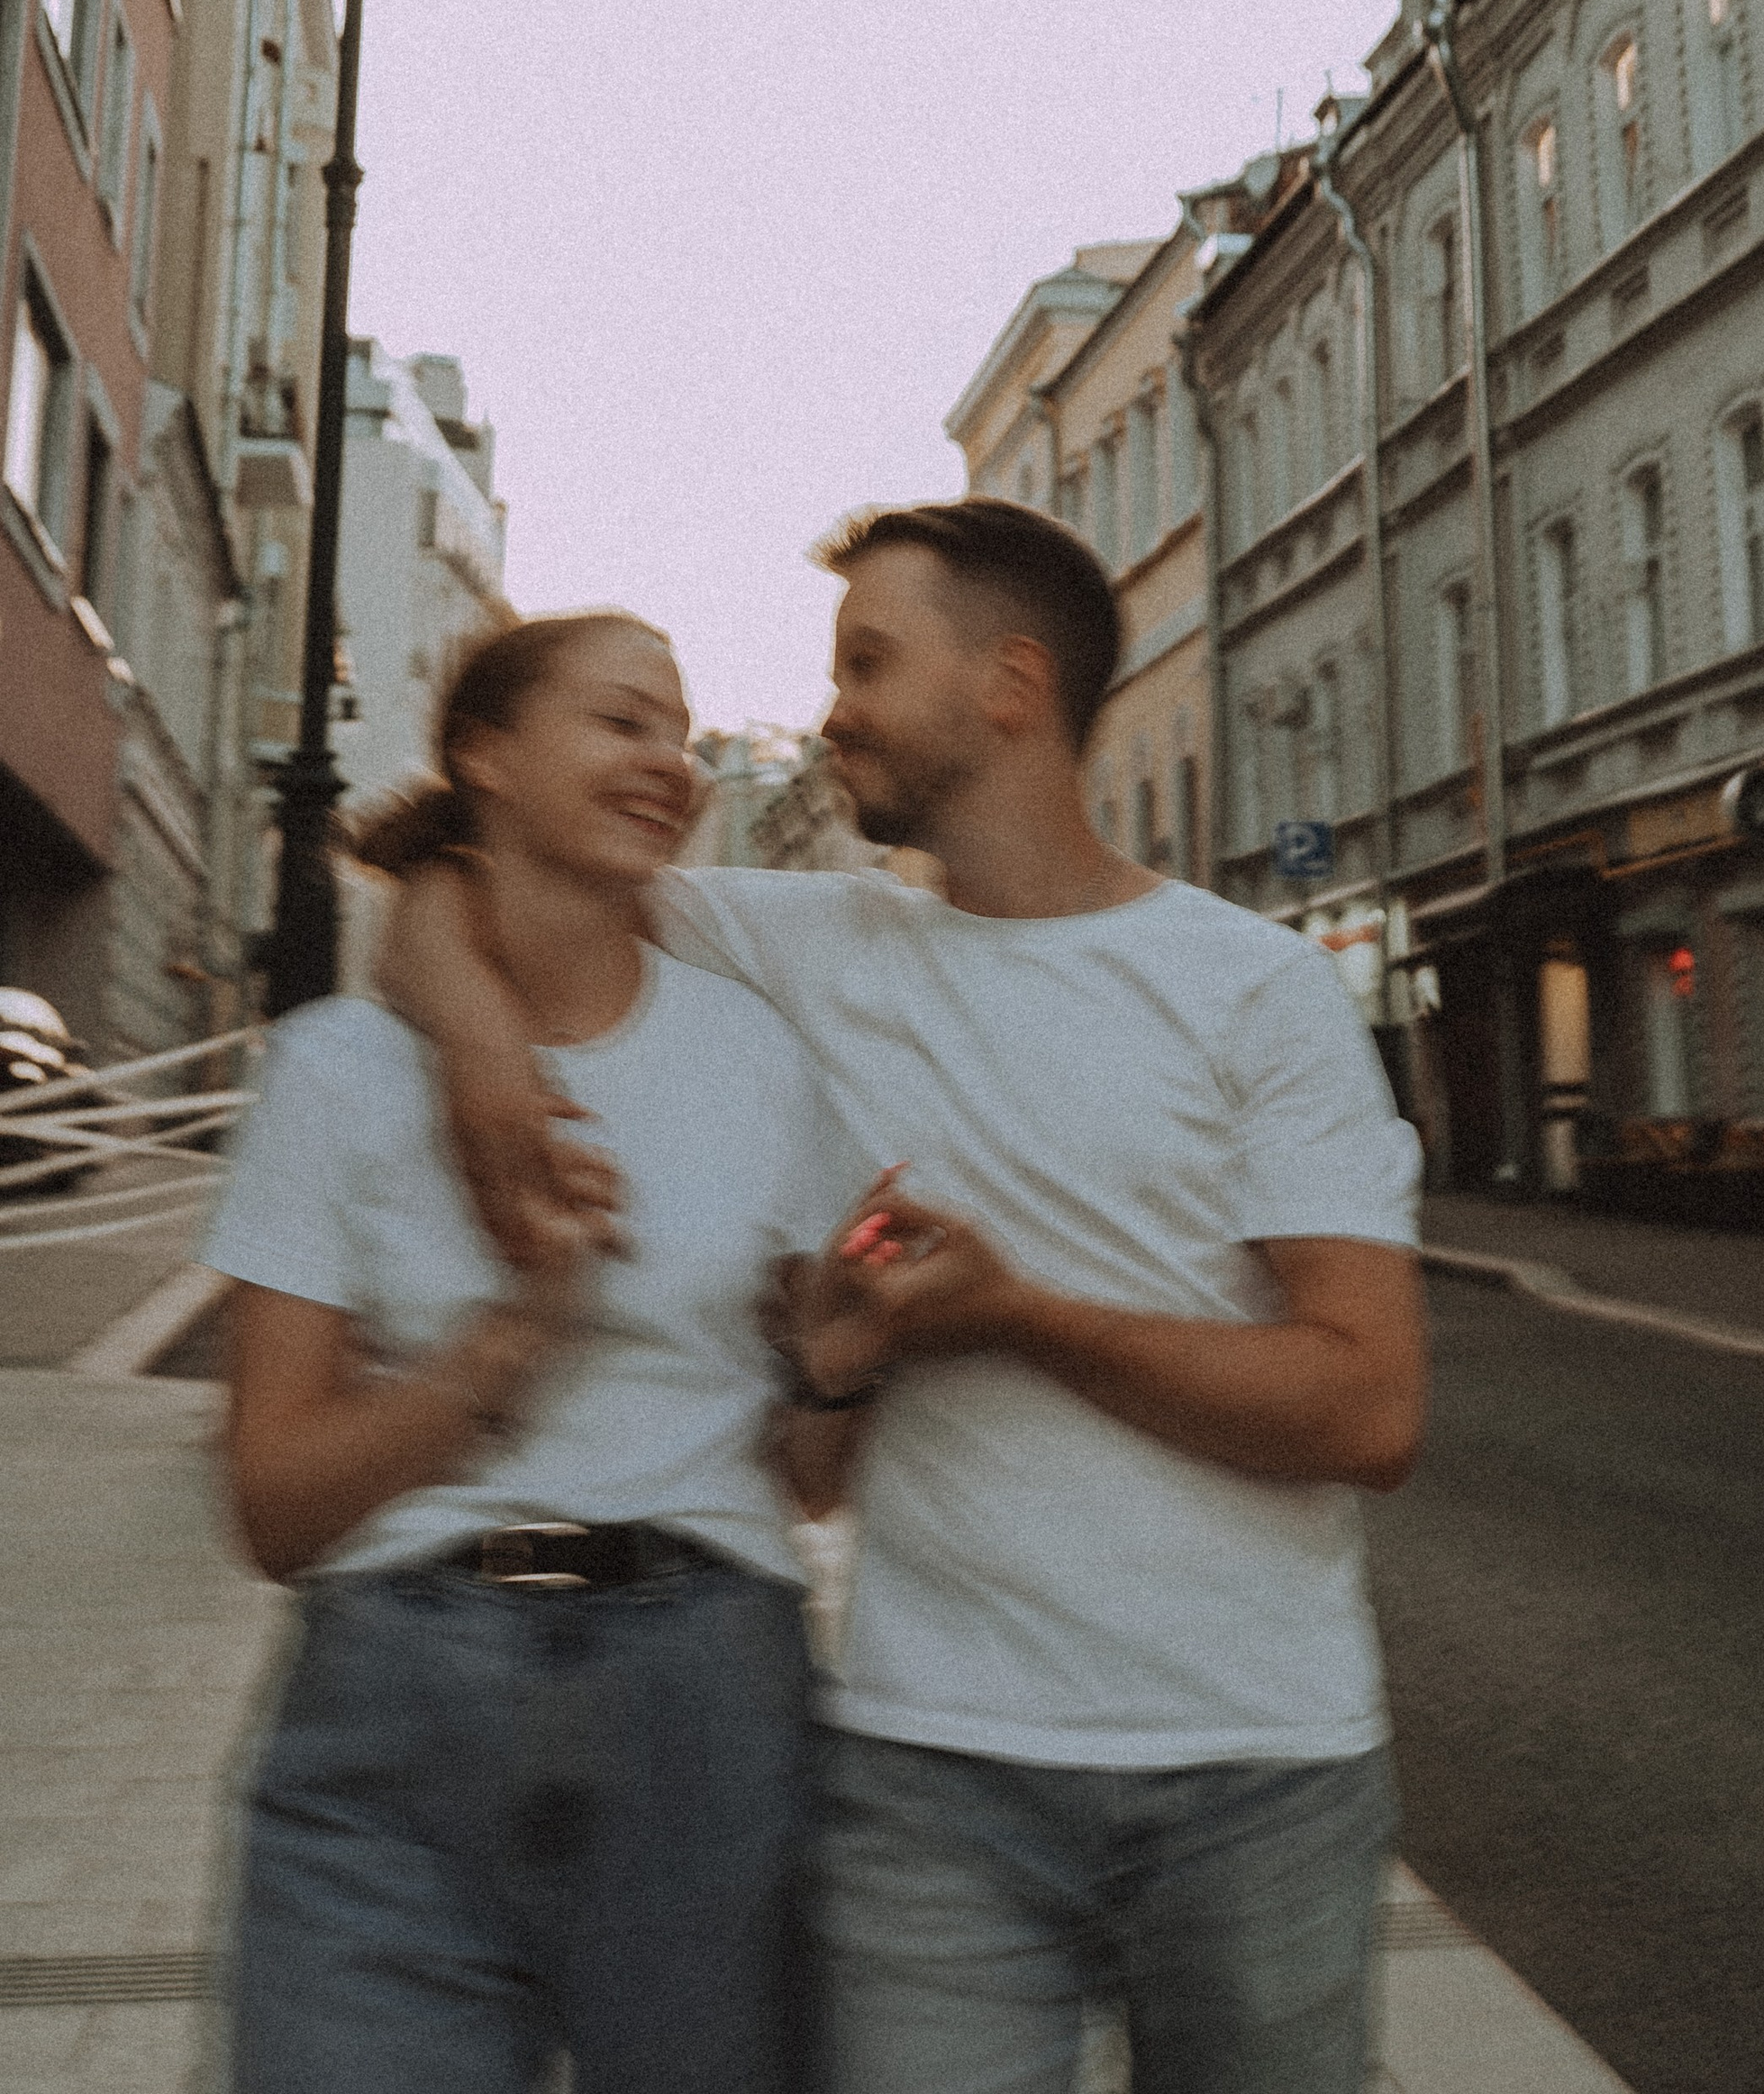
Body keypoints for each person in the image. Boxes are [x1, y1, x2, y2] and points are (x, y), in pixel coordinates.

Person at [384, 500, 1429, 2094]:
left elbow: (1368, 1408)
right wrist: (477, 1045)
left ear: (1010, 686)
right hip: (931, 1769)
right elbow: (469, 871)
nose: (834, 712)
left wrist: (1020, 1315)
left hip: (1259, 1764)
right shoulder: (815, 945)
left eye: (868, 664)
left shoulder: (1256, 990)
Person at [206, 610, 859, 2094]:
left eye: (679, 732)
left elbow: (814, 1480)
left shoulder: (761, 1053)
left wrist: (853, 1358)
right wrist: (519, 1334)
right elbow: (273, 1509)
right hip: (395, 1702)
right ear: (484, 755)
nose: (668, 761)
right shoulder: (333, 1073)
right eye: (622, 720)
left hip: (708, 1692)